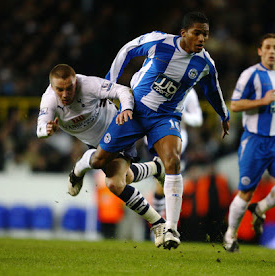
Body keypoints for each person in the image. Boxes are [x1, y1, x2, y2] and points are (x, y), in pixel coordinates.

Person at [70, 11, 230, 250]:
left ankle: (172, 229)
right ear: (184, 33)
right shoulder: (159, 42)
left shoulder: (205, 63)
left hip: (165, 118)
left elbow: (213, 90)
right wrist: (109, 84)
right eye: (197, 33)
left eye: (205, 34)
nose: (202, 39)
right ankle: (83, 165)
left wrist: (223, 115)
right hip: (133, 109)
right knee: (102, 162)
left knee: (173, 161)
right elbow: (127, 50)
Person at [36, 64, 166, 247]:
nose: (65, 94)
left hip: (119, 128)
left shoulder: (88, 85)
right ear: (52, 87)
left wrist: (127, 109)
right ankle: (156, 168)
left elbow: (123, 90)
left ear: (76, 82)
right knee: (125, 178)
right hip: (95, 142)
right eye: (60, 89)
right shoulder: (48, 100)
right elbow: (40, 127)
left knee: (113, 183)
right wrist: (47, 130)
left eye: (69, 88)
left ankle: (158, 223)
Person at [223, 33, 275, 252]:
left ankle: (261, 208)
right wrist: (262, 101)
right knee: (245, 192)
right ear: (259, 51)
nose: (271, 51)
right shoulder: (250, 75)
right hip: (255, 140)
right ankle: (230, 235)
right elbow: (235, 105)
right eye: (267, 47)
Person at [151, 87, 203, 217]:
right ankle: (158, 224)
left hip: (179, 141)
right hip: (157, 138)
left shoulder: (189, 90)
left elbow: (198, 119)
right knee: (161, 185)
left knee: (171, 186)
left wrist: (182, 115)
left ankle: (167, 225)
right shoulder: (158, 85)